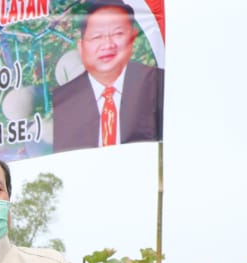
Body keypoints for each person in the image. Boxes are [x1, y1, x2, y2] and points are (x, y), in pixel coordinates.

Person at [51, 1, 163, 153]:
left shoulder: (158, 85)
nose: (108, 44)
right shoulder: (63, 102)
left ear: (132, 38)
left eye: (118, 34)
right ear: (81, 46)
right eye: (97, 37)